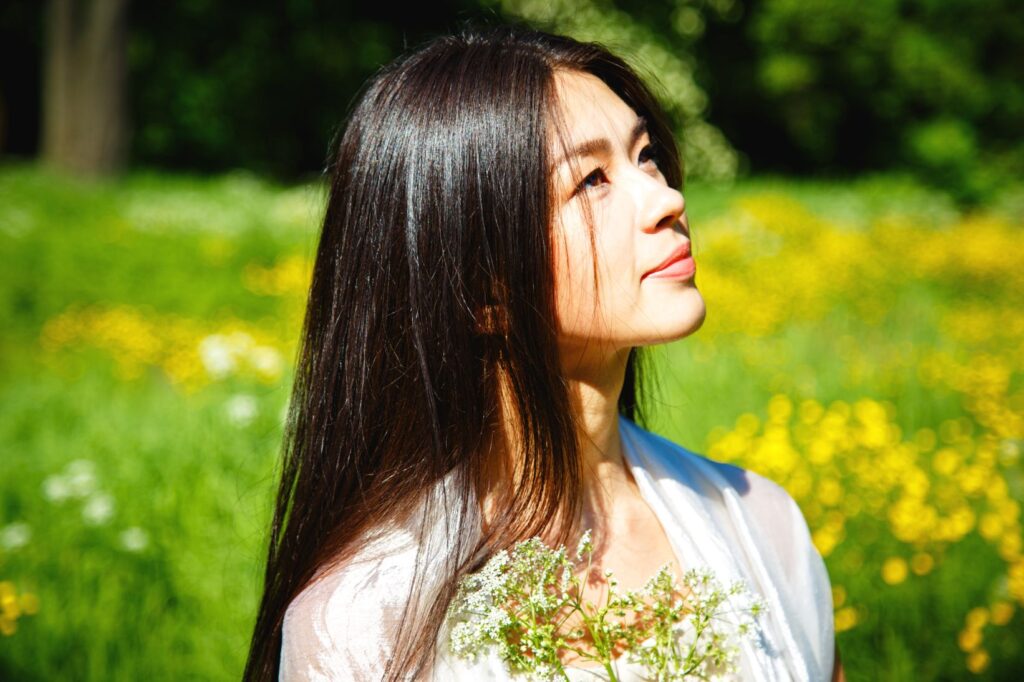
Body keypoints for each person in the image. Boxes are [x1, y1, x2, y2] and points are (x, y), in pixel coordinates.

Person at [244, 25, 845, 682]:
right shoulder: (363, 627)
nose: (668, 199)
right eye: (591, 180)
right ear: (480, 290)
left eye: (645, 155)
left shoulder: (763, 531)